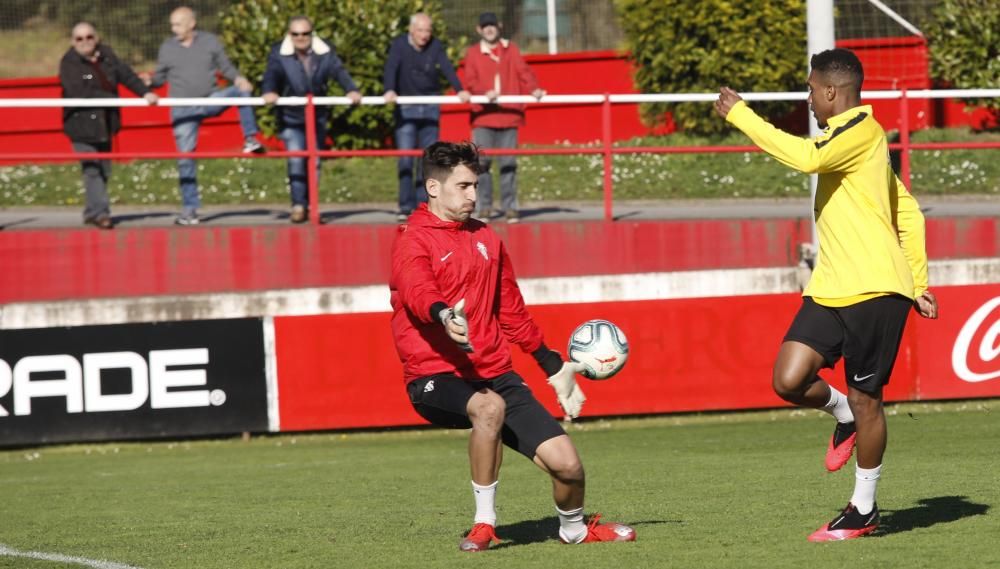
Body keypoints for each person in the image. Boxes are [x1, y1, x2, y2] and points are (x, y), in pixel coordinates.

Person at [714, 48, 939, 541]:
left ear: (833, 91)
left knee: (868, 400)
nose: (809, 97)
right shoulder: (851, 138)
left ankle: (863, 509)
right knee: (788, 379)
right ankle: (840, 415)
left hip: (876, 288)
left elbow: (804, 158)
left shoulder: (861, 133)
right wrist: (920, 280)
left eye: (812, 89)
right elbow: (908, 211)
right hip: (832, 287)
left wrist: (742, 115)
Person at [389, 141, 635, 552]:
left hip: (493, 373)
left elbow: (512, 312)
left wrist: (553, 366)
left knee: (569, 468)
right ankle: (484, 523)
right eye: (463, 186)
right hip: (434, 376)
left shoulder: (486, 237)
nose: (473, 195)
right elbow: (416, 287)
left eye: (475, 186)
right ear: (433, 187)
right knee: (489, 408)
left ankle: (574, 529)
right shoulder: (412, 238)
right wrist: (444, 315)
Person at [147, 6, 264, 226]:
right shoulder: (167, 47)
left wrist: (238, 79)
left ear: (191, 23)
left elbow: (226, 67)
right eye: (172, 24)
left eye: (178, 24)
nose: (174, 29)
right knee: (185, 161)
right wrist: (149, 83)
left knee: (242, 90)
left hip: (209, 100)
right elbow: (160, 77)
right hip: (182, 108)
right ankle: (190, 211)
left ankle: (250, 138)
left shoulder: (210, 41)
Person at [262, 16, 362, 223]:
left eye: (305, 33)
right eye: (296, 34)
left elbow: (339, 71)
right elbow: (271, 74)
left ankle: (311, 206)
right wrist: (270, 91)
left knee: (314, 162)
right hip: (290, 116)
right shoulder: (278, 53)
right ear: (289, 35)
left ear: (311, 34)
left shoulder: (325, 52)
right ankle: (298, 206)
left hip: (316, 116)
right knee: (297, 160)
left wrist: (351, 89)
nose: (301, 38)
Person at [59, 22, 159, 229]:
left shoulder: (107, 56)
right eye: (79, 39)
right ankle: (101, 213)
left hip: (105, 124)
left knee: (104, 169)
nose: (85, 42)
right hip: (82, 125)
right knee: (92, 169)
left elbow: (126, 75)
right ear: (73, 42)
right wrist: (111, 97)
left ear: (96, 38)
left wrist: (144, 93)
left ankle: (91, 211)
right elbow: (81, 89)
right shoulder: (70, 64)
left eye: (89, 37)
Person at [383, 12, 470, 223]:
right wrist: (389, 90)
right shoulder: (399, 45)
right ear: (411, 31)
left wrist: (459, 89)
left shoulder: (435, 45)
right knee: (406, 159)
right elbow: (391, 68)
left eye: (428, 31)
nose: (424, 35)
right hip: (406, 106)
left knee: (429, 161)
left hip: (430, 105)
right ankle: (405, 206)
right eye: (421, 30)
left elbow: (447, 67)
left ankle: (425, 206)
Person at [462, 12, 545, 224]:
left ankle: (510, 208)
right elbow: (469, 80)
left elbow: (524, 71)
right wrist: (484, 91)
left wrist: (534, 89)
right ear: (479, 30)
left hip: (509, 115)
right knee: (482, 165)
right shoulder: (472, 53)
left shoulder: (511, 49)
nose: (489, 29)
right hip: (483, 116)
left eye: (492, 25)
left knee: (508, 163)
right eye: (485, 26)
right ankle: (485, 207)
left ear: (499, 27)